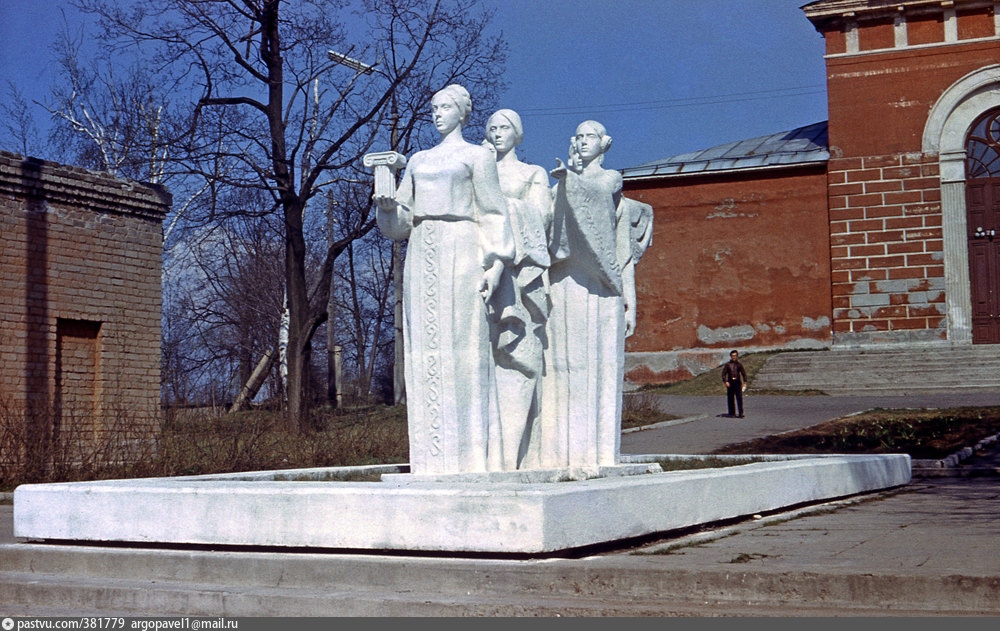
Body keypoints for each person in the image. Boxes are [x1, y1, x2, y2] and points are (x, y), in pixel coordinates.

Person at [374, 84, 514, 474]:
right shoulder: (418, 161)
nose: (437, 114)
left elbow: (493, 212)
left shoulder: (476, 156)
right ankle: (430, 457)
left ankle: (469, 457)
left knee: (464, 346)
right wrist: (388, 209)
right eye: (434, 108)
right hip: (423, 251)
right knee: (426, 349)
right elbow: (400, 224)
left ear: (462, 113)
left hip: (463, 248)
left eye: (445, 107)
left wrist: (496, 267)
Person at [535, 120, 641, 468]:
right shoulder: (562, 184)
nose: (583, 142)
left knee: (595, 365)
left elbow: (597, 199)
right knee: (561, 365)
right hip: (564, 280)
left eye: (589, 137)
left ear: (604, 143)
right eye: (578, 137)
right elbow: (547, 223)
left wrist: (569, 180)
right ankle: (557, 452)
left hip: (597, 285)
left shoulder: (609, 179)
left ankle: (594, 453)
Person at [483, 109, 552, 470]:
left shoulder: (532, 174)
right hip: (478, 270)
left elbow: (540, 217)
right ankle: (486, 453)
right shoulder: (477, 170)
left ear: (518, 134)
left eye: (504, 128)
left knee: (516, 358)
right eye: (491, 127)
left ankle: (514, 455)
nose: (497, 133)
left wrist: (501, 207)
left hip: (516, 275)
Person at [722, 350, 748, 418]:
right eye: (733, 356)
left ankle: (740, 413)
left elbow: (744, 374)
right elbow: (723, 374)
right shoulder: (728, 365)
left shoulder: (739, 364)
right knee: (730, 398)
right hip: (730, 382)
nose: (734, 357)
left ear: (737, 356)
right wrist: (725, 381)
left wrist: (745, 382)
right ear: (731, 356)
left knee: (739, 398)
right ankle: (732, 413)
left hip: (737, 382)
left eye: (735, 356)